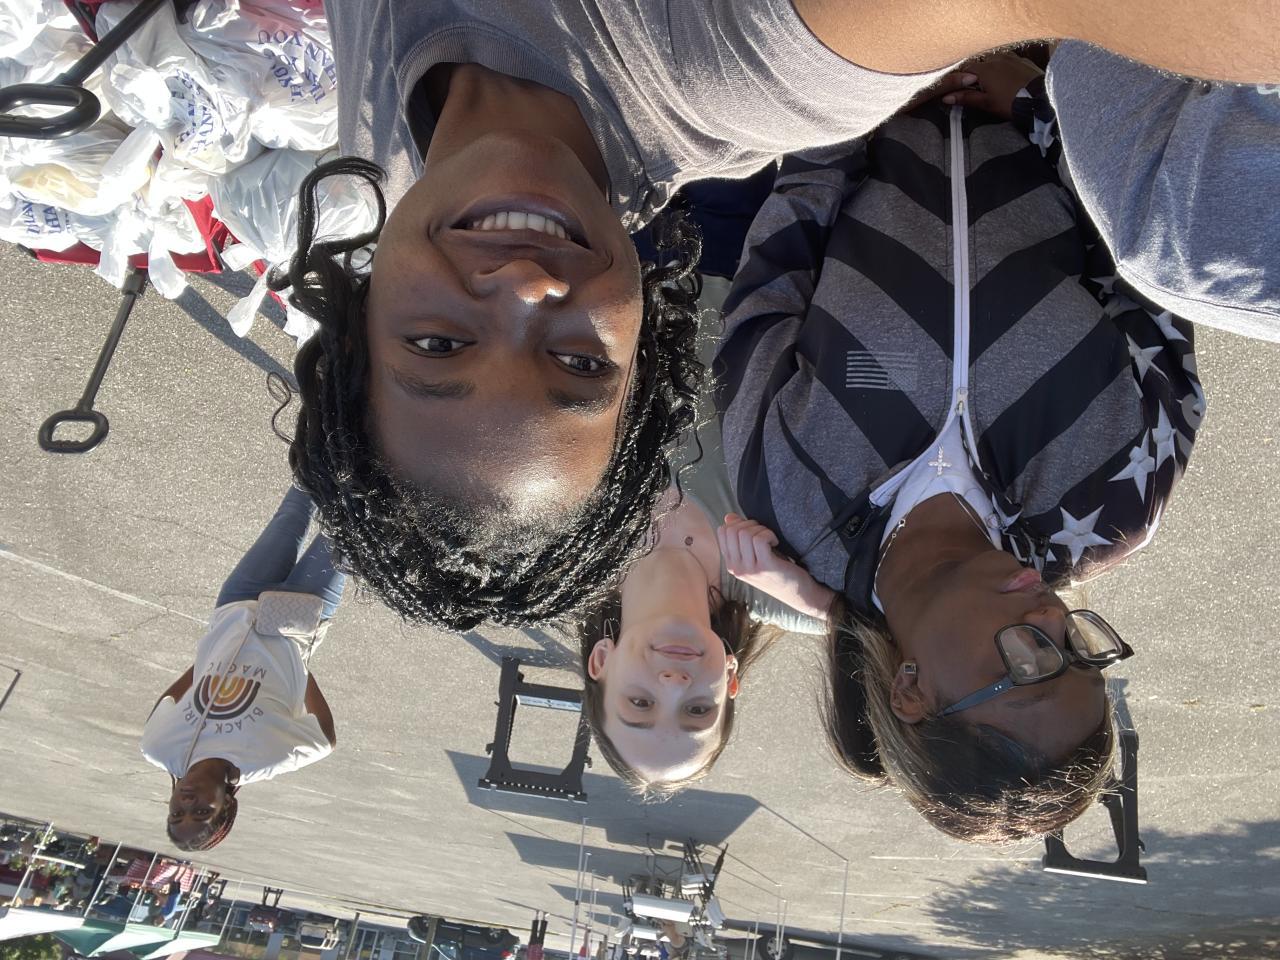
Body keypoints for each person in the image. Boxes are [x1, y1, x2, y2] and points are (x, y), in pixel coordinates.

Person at [274, 0, 1273, 632]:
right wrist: (1037, 111)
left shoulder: (383, 157)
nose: (527, 294)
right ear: (647, 355)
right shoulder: (743, 67)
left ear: (355, 319)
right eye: (578, 367)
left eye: (438, 346)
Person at [715, 53, 1204, 843]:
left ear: (911, 691)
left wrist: (863, 88)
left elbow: (780, 258)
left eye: (1026, 665)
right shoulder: (1116, 496)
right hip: (1062, 56)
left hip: (874, 66)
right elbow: (1148, 260)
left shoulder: (788, 490)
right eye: (1077, 653)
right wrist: (1042, 109)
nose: (1050, 619)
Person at [580, 280, 834, 794]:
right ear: (730, 678)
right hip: (769, 258)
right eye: (698, 710)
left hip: (633, 257)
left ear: (602, 662)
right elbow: (901, 632)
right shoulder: (781, 587)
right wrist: (814, 597)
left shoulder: (567, 549)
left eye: (640, 703)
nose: (674, 685)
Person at [140, 486, 345, 851]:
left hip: (237, 602)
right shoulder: (264, 759)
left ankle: (333, 447)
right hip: (299, 616)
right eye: (202, 812)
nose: (187, 803)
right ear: (225, 807)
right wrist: (302, 671)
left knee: (295, 509)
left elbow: (167, 701)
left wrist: (203, 665)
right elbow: (324, 741)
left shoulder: (159, 748)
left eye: (176, 813)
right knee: (351, 528)